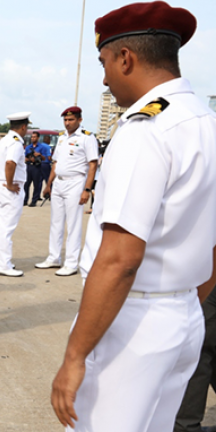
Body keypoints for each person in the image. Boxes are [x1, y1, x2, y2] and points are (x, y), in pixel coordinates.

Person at [51, 3, 216, 431]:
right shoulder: (206, 122)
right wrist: (181, 303)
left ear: (126, 58)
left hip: (132, 320)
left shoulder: (146, 128)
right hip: (185, 315)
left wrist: (74, 356)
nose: (104, 78)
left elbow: (120, 257)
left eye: (105, 63)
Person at [36, 107, 98, 276]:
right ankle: (53, 257)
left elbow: (93, 164)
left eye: (71, 120)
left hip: (76, 183)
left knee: (73, 224)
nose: (67, 123)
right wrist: (49, 184)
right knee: (56, 223)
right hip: (59, 183)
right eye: (65, 120)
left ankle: (71, 263)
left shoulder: (86, 137)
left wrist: (87, 189)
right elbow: (55, 163)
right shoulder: (62, 138)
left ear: (79, 120)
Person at [0, 112, 28, 277]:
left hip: (0, 184)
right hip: (10, 188)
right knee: (6, 227)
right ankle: (3, 265)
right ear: (23, 127)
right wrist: (10, 183)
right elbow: (10, 163)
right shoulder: (16, 143)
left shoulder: (3, 141)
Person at [23, 131, 43, 207]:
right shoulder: (28, 147)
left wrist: (39, 155)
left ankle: (34, 200)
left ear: (38, 138)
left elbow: (45, 158)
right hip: (29, 166)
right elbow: (24, 157)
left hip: (37, 167)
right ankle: (25, 200)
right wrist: (28, 159)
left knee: (36, 185)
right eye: (32, 137)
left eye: (34, 137)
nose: (33, 138)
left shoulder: (42, 147)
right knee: (26, 184)